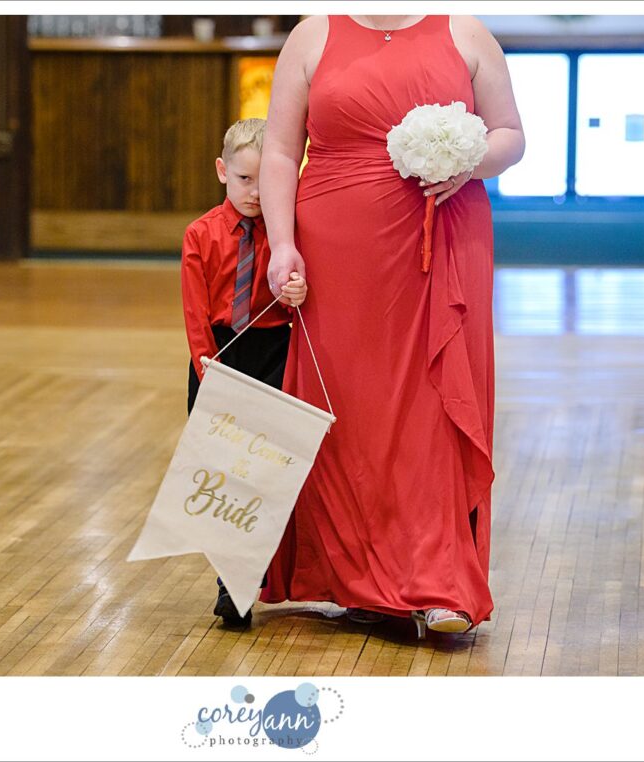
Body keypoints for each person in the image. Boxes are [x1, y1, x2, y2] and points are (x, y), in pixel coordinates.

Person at [259, 15, 524, 636]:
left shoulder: (465, 31)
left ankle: (440, 581)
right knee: (346, 405)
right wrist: (280, 245)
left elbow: (512, 135)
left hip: (444, 237)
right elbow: (278, 149)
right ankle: (350, 577)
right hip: (335, 249)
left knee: (434, 405)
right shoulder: (312, 34)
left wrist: (472, 160)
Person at [180, 117, 307, 626]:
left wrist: (296, 294)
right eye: (244, 180)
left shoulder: (292, 232)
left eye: (266, 181)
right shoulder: (200, 234)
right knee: (224, 477)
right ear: (221, 172)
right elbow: (193, 313)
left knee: (265, 474)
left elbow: (302, 293)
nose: (255, 193)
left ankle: (252, 576)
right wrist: (206, 369)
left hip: (274, 351)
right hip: (218, 359)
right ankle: (229, 579)